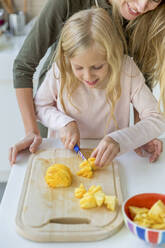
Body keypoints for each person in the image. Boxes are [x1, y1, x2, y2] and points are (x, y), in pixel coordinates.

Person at [9, 0, 165, 164]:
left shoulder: (127, 68)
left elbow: (153, 114)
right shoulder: (60, 69)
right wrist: (58, 125)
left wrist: (137, 136)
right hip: (61, 151)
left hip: (112, 158)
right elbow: (38, 100)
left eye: (97, 66)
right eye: (78, 67)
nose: (88, 77)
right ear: (66, 58)